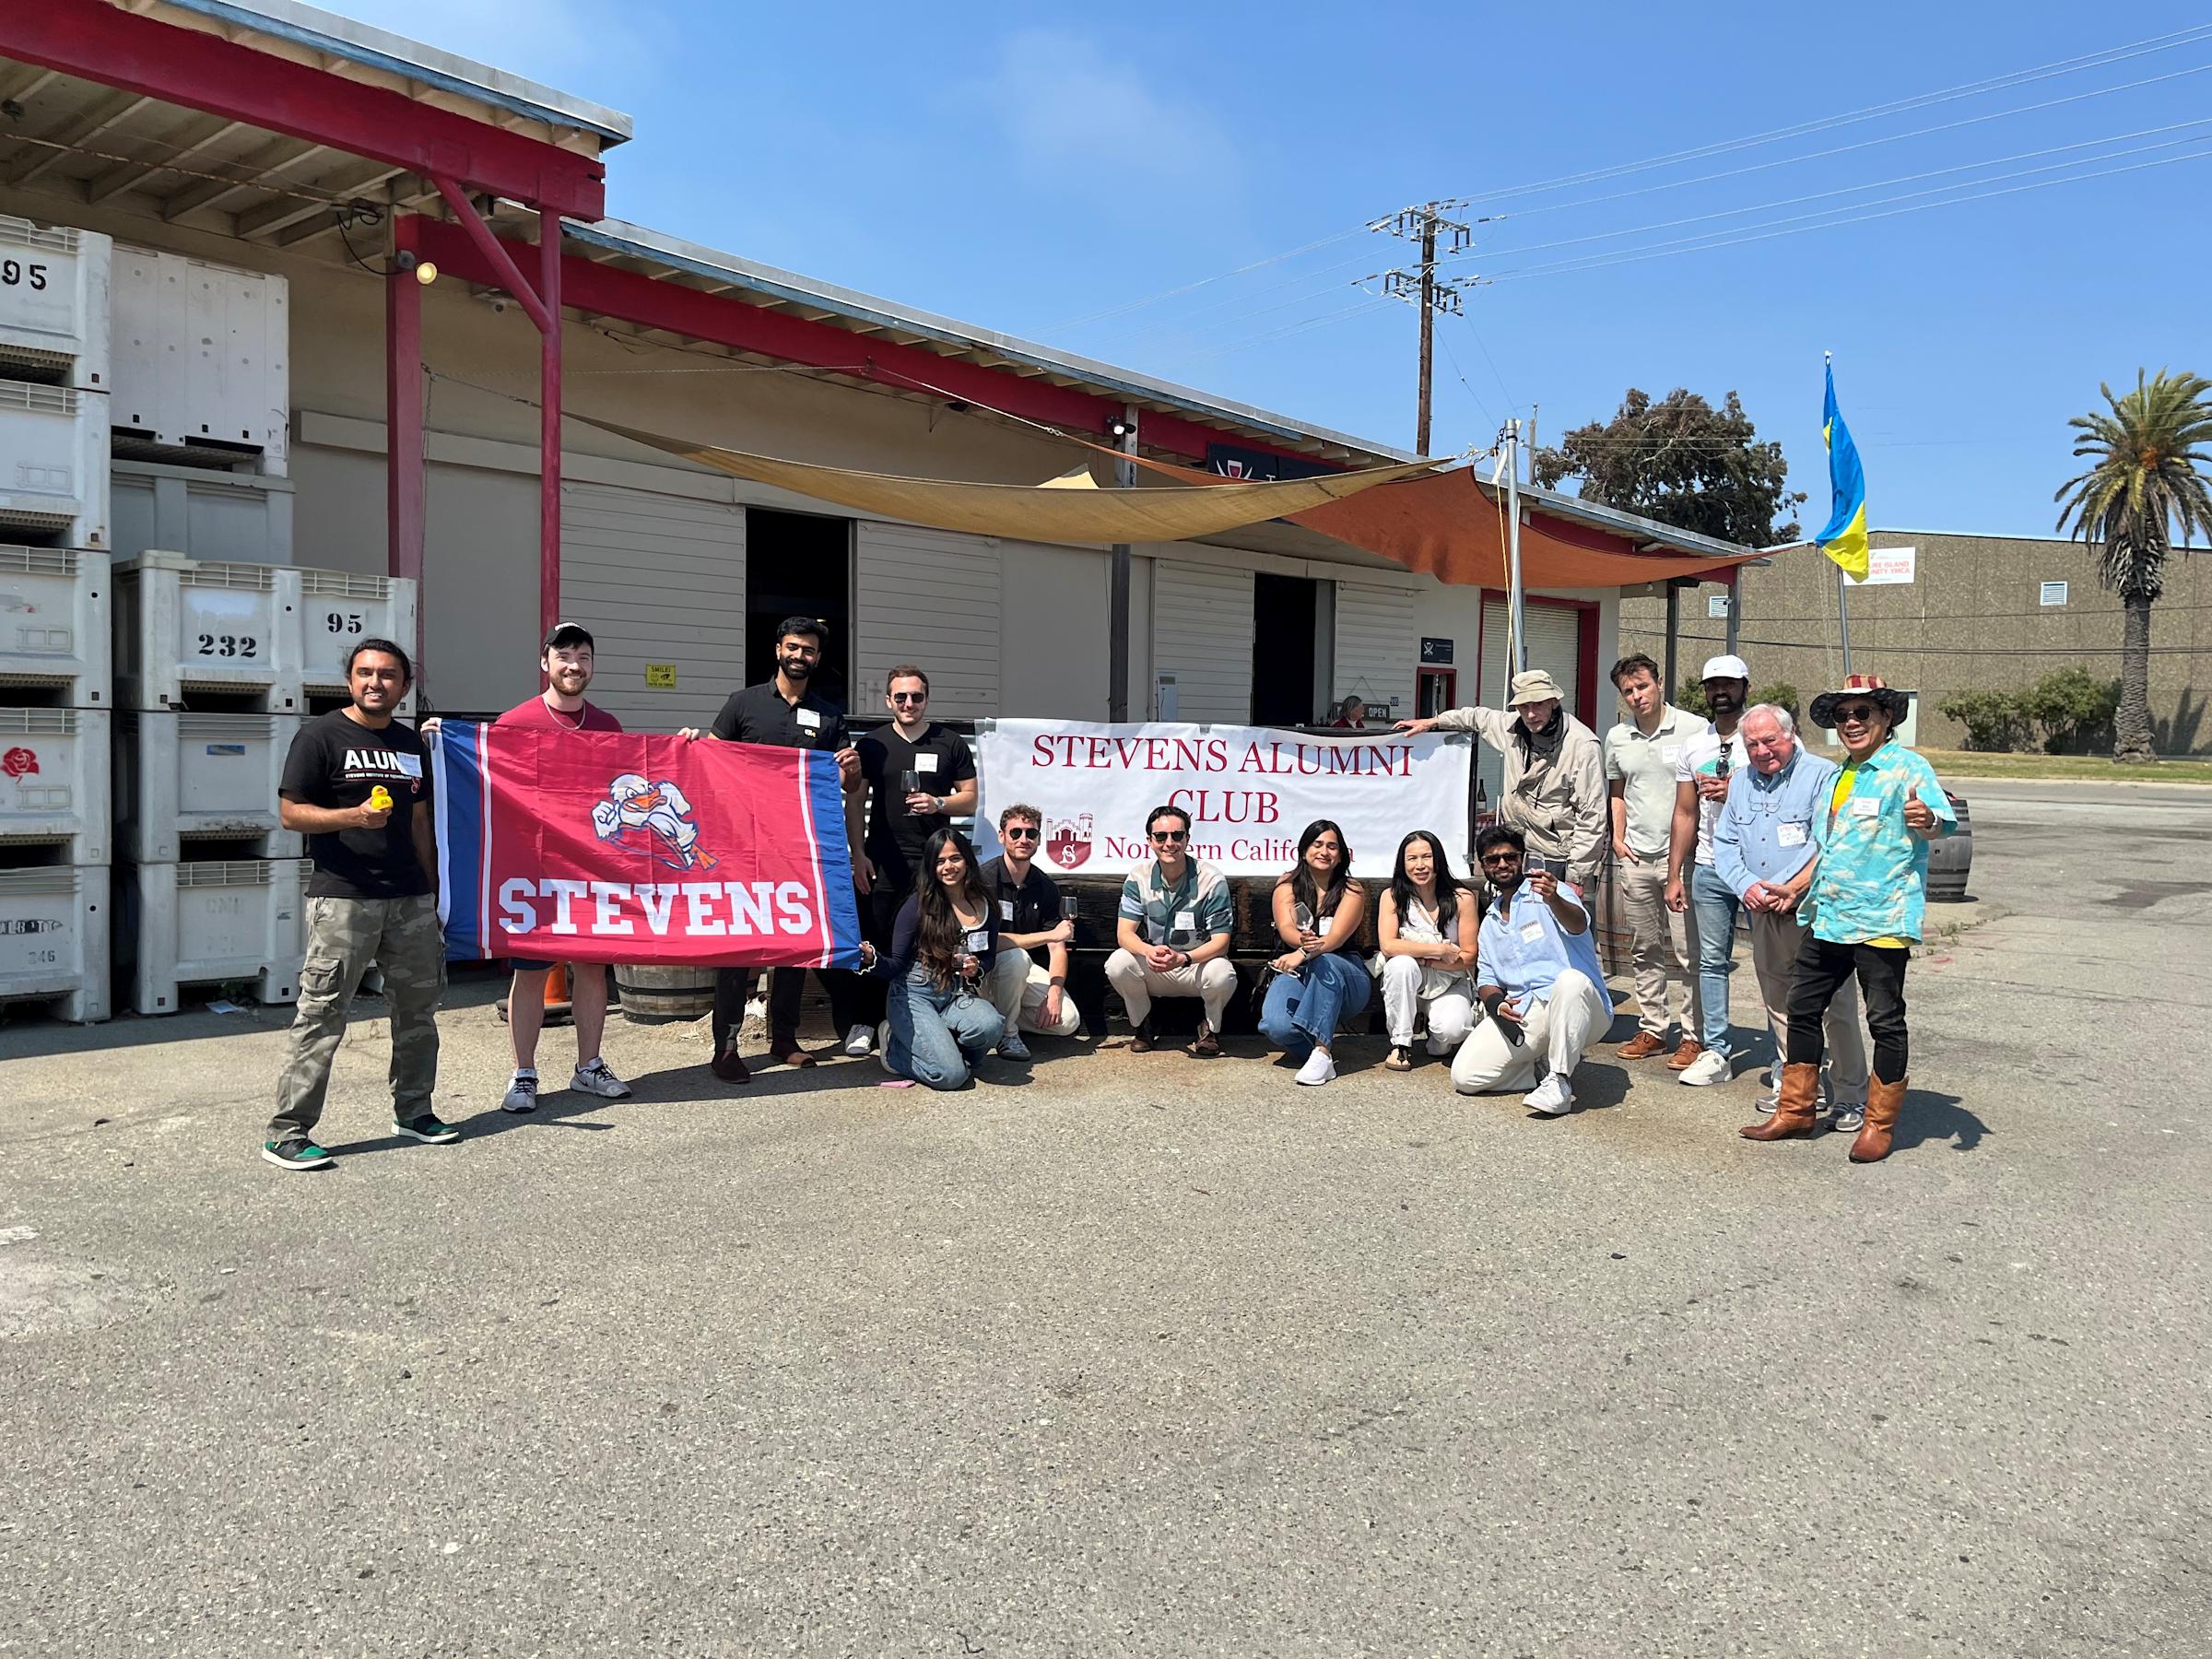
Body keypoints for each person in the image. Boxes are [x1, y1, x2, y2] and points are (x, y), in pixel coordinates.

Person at [1743, 675, 1956, 1162]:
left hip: (1881, 918)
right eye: (1843, 716)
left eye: (1863, 714)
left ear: (1886, 719)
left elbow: (1938, 822)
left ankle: (1878, 1123)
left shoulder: (1908, 768)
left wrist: (1928, 821)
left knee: (1884, 1019)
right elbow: (1828, 847)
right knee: (1803, 1006)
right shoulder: (1841, 776)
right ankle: (1796, 1111)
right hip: (1830, 915)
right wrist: (1797, 888)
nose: (1852, 723)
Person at [263, 639, 452, 1169]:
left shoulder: (410, 743)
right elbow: (290, 813)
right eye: (365, 673)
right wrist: (352, 817)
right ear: (349, 681)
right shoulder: (319, 736)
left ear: (404, 687)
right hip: (343, 900)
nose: (376, 682)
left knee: (418, 1012)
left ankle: (414, 1112)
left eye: (388, 675)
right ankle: (288, 1132)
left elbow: (420, 822)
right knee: (322, 1014)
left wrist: (432, 895)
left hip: (409, 900)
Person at [679, 617, 867, 1081]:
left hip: (797, 849)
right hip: (741, 847)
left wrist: (851, 767)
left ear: (818, 658)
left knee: (793, 943)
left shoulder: (828, 716)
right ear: (778, 649)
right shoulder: (743, 703)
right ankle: (725, 1047)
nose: (799, 655)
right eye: (793, 647)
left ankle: (783, 1037)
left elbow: (845, 783)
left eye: (808, 650)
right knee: (738, 946)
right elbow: (711, 761)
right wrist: (690, 745)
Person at [489, 623, 631, 1112]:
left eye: (584, 656)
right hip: (534, 871)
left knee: (592, 967)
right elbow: (486, 784)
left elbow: (630, 786)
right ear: (545, 663)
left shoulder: (608, 726)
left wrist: (683, 749)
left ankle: (588, 1067)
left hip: (592, 869)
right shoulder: (513, 723)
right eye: (564, 655)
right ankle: (523, 1073)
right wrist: (444, 741)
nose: (574, 664)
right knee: (531, 972)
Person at [1712, 703, 1869, 1124]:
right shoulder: (1742, 781)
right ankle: (1798, 1088)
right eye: (1752, 744)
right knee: (1779, 1003)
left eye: (1770, 741)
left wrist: (1786, 887)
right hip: (1762, 909)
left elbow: (1826, 840)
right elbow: (1725, 842)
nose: (1762, 751)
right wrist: (1748, 887)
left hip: (1815, 910)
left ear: (1791, 734)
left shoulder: (1822, 775)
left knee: (1834, 1006)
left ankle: (1852, 1094)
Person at [853, 665, 977, 1057]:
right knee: (875, 936)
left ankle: (919, 1016)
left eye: (916, 697)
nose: (909, 704)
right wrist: (857, 854)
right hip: (883, 859)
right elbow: (855, 803)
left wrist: (939, 802)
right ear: (888, 700)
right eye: (901, 697)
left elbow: (971, 798)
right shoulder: (872, 744)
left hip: (935, 864)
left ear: (927, 699)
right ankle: (866, 1021)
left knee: (931, 940)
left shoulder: (950, 742)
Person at [1450, 825, 1615, 1117]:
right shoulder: (1489, 923)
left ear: (1522, 858)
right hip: (1529, 1010)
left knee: (1570, 981)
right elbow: (1487, 980)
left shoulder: (1551, 892)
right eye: (1492, 859)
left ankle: (1560, 1081)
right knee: (1465, 1076)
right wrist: (1496, 1003)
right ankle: (1537, 1071)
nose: (1502, 864)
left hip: (1583, 1008)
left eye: (1509, 857)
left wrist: (1554, 899)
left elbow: (1578, 925)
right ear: (1483, 866)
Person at [1396, 668, 1606, 892]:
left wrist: (1577, 877)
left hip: (1557, 858)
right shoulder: (1511, 727)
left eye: (1538, 704)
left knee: (1558, 924)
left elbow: (1592, 815)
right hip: (1515, 850)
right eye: (1524, 706)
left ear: (1554, 701)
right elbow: (1476, 717)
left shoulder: (1583, 745)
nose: (1531, 714)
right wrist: (1435, 722)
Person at [1603, 653, 1708, 1067]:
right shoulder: (1618, 737)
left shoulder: (1693, 730)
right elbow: (1617, 788)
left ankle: (1695, 1034)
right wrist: (1618, 835)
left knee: (1688, 951)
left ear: (1660, 683)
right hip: (1637, 857)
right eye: (1628, 691)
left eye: (1642, 686)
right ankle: (1653, 1028)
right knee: (1644, 947)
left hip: (1682, 859)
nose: (1636, 696)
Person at [1665, 654, 1756, 1088]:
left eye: (1729, 684)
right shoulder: (1695, 745)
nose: (1721, 692)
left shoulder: (1765, 735)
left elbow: (1791, 792)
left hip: (1762, 869)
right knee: (1711, 963)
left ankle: (1788, 1055)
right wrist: (1674, 874)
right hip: (1710, 866)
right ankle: (1717, 1049)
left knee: (1779, 966)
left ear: (1745, 688)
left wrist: (1736, 787)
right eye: (1712, 685)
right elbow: (1685, 812)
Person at [857, 829, 1006, 1090]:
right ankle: (894, 1048)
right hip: (913, 994)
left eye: (955, 858)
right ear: (930, 866)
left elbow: (989, 956)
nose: (949, 867)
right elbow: (894, 966)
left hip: (956, 994)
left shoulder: (986, 903)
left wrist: (977, 968)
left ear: (968, 860)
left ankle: (946, 1053)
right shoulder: (918, 905)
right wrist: (871, 959)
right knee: (951, 1077)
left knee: (992, 1025)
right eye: (940, 861)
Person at [1105, 805, 1236, 1056]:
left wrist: (1183, 958)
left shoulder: (1211, 878)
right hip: (1155, 966)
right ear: (1150, 841)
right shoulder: (1138, 877)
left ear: (1187, 838)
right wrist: (1148, 951)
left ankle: (1209, 1027)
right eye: (1161, 837)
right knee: (1118, 963)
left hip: (1195, 966)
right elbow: (1124, 934)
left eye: (1177, 836)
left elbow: (1221, 942)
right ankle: (1143, 1025)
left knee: (1222, 973)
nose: (1169, 843)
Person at [1256, 819, 1372, 1086]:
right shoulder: (1287, 884)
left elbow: (1334, 939)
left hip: (1344, 970)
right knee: (1276, 1025)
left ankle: (1321, 1051)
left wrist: (1303, 953)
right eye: (1317, 844)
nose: (1324, 851)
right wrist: (1301, 943)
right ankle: (1321, 1054)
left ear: (1341, 854)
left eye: (1332, 846)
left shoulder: (1352, 890)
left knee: (1326, 961)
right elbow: (1286, 928)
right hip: (1299, 970)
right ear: (1304, 849)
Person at [981, 802, 1080, 1059]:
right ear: (1002, 836)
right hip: (982, 970)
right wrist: (1049, 935)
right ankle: (1008, 1035)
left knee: (1068, 1021)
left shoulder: (1045, 885)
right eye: (1016, 832)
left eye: (1031, 833)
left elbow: (1057, 949)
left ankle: (993, 1019)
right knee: (1016, 957)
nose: (1023, 839)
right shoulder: (983, 880)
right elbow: (989, 942)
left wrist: (1055, 991)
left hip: (1020, 975)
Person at [1375, 830, 1479, 1072]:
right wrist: (1439, 950)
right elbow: (1389, 945)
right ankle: (1401, 1043)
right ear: (1403, 863)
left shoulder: (1462, 898)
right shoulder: (1392, 896)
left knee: (1455, 1029)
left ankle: (1437, 1038)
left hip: (1449, 981)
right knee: (1401, 964)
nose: (1420, 865)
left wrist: (1428, 960)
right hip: (1409, 981)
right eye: (1412, 859)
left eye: (1427, 857)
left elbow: (1468, 956)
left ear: (1439, 860)